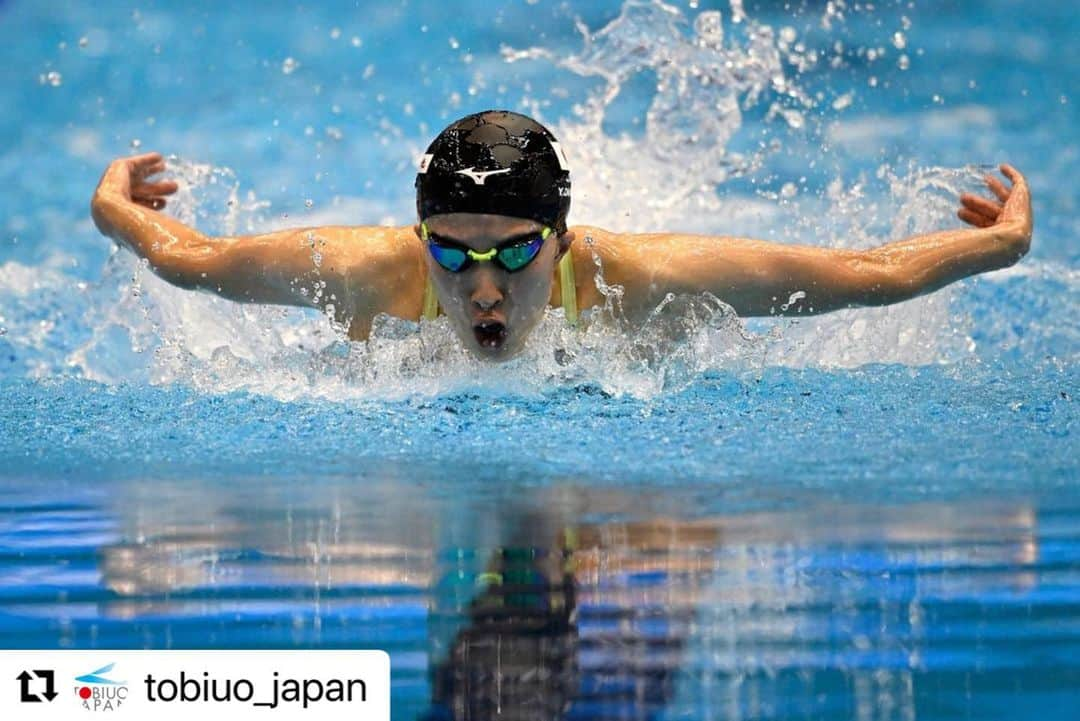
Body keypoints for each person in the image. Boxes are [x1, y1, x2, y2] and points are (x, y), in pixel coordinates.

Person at [90, 109, 1033, 361]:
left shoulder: (643, 279)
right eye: (452, 251)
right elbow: (189, 259)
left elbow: (864, 272)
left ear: (564, 240)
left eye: (514, 250)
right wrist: (114, 207)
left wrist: (998, 247)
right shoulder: (364, 273)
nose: (481, 286)